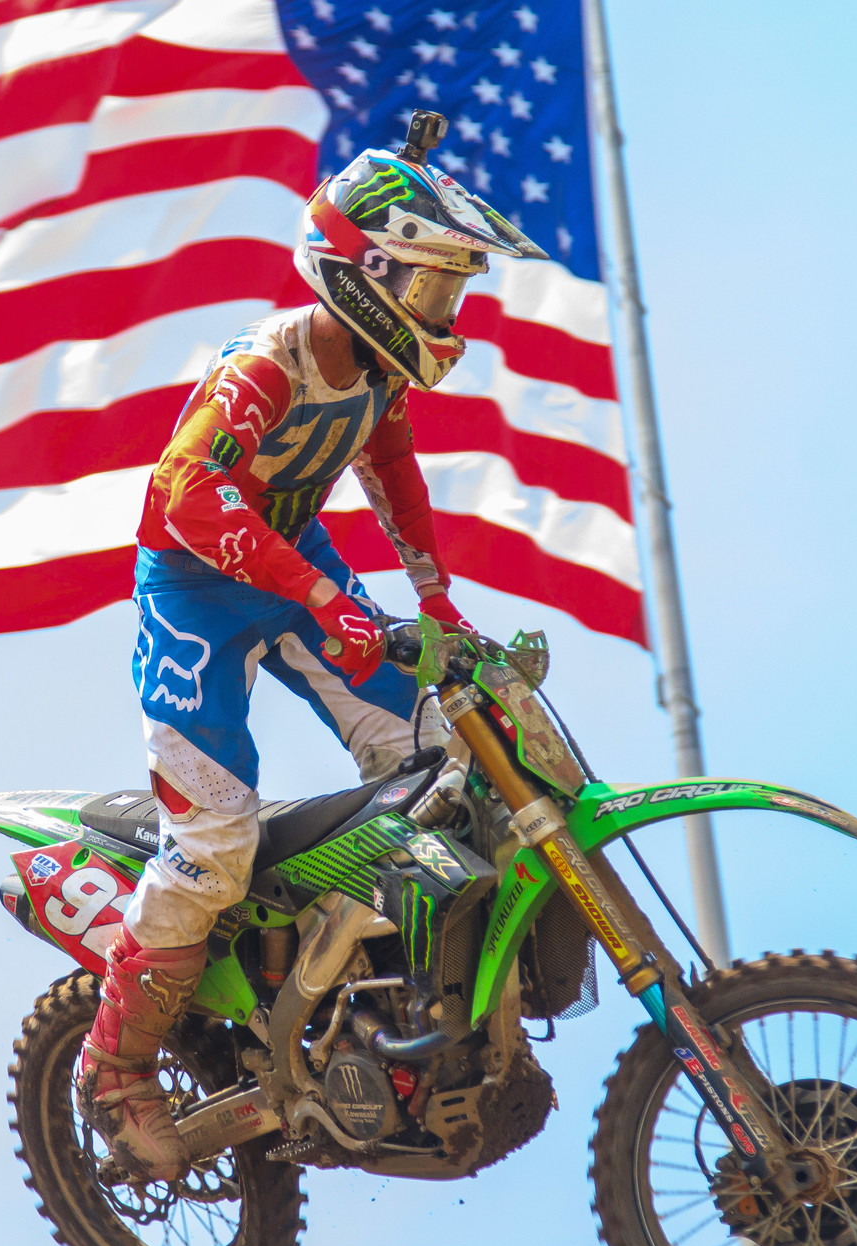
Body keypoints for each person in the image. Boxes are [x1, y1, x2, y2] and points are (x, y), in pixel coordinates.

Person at [78, 113, 550, 1181]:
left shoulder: (375, 370)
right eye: (431, 287)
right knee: (213, 846)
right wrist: (316, 594)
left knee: (441, 745)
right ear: (365, 268)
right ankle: (114, 1066)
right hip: (197, 592)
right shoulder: (266, 365)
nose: (444, 312)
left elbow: (395, 475)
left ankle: (383, 988)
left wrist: (440, 604)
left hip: (292, 561)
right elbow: (184, 493)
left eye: (450, 291)